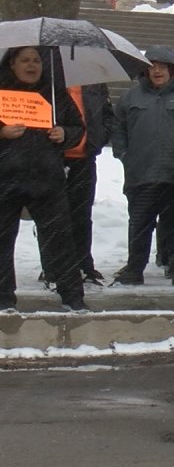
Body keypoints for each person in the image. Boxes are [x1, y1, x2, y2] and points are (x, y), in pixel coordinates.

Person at [0, 46, 87, 312]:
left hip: (47, 180)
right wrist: (2, 133)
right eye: (25, 60)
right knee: (2, 241)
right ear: (12, 64)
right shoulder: (2, 92)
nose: (31, 65)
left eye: (36, 60)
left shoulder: (54, 93)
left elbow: (77, 127)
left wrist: (64, 134)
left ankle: (72, 297)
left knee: (60, 240)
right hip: (6, 180)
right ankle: (3, 298)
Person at [111, 46, 174, 287]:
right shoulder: (130, 97)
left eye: (162, 66)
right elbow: (118, 127)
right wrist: (124, 154)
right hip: (141, 174)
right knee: (139, 225)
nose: (157, 70)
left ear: (172, 69)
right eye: (152, 66)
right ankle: (134, 268)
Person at [62, 81, 112, 286]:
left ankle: (84, 263)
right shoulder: (52, 79)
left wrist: (99, 137)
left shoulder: (94, 82)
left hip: (84, 157)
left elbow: (107, 114)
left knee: (82, 214)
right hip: (54, 158)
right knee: (54, 217)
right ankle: (55, 265)